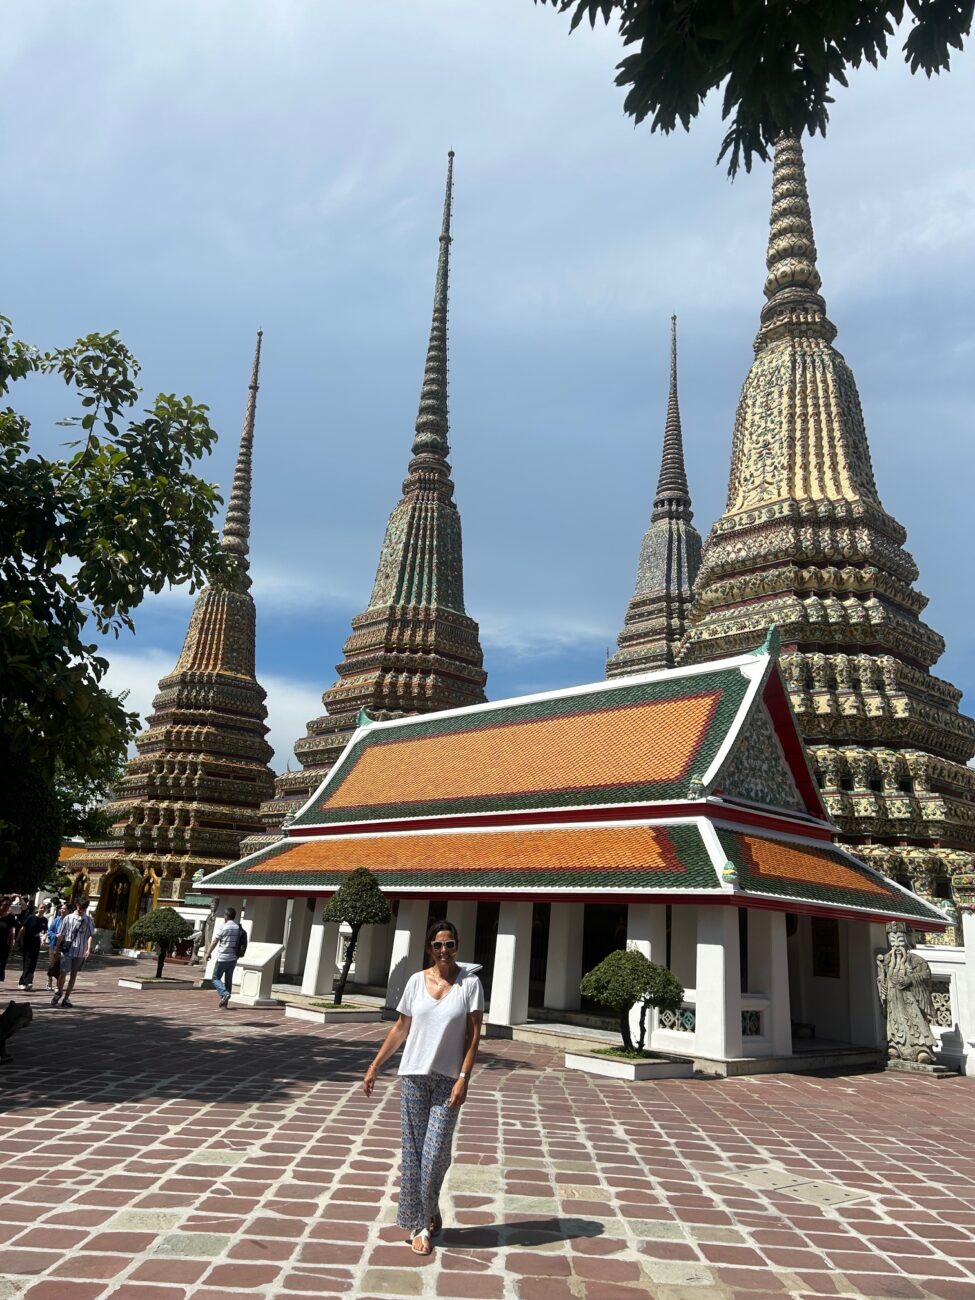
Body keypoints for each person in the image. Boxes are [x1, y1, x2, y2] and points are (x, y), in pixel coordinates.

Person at [363, 920, 483, 1257]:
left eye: (450, 944)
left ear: (457, 946)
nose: (444, 951)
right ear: (429, 948)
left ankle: (428, 1207)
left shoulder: (470, 984)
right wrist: (375, 1066)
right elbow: (401, 1028)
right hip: (414, 1076)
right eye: (438, 945)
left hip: (448, 1079)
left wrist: (464, 1077)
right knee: (413, 1155)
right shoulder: (416, 981)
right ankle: (421, 1223)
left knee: (435, 1155)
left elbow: (474, 1036)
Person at [51, 897, 95, 1008]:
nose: (82, 910)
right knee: (63, 972)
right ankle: (59, 992)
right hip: (68, 950)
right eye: (80, 907)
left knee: (74, 975)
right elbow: (61, 934)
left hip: (80, 951)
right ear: (76, 905)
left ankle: (66, 998)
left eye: (84, 908)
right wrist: (57, 949)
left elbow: (90, 935)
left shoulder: (88, 920)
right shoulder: (68, 918)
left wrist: (88, 949)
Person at [205, 906, 243, 1008]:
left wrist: (208, 953)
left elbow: (215, 941)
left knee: (215, 978)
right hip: (233, 958)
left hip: (223, 958)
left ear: (226, 916)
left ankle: (224, 994)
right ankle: (225, 1002)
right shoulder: (237, 927)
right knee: (228, 979)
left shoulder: (224, 927)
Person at [17, 902, 48, 991]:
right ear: (38, 908)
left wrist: (43, 938)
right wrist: (17, 940)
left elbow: (45, 931)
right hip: (27, 942)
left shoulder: (44, 920)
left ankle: (26, 981)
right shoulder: (31, 917)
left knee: (33, 962)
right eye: (41, 907)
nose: (42, 909)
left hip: (36, 943)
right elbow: (23, 929)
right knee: (27, 962)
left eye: (44, 908)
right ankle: (25, 982)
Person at [46, 903, 69, 991]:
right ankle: (49, 980)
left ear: (68, 910)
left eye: (64, 909)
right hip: (54, 944)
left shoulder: (70, 921)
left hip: (65, 945)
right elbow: (50, 931)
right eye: (61, 909)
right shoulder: (56, 920)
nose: (62, 910)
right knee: (52, 963)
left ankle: (58, 985)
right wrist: (55, 935)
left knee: (61, 965)